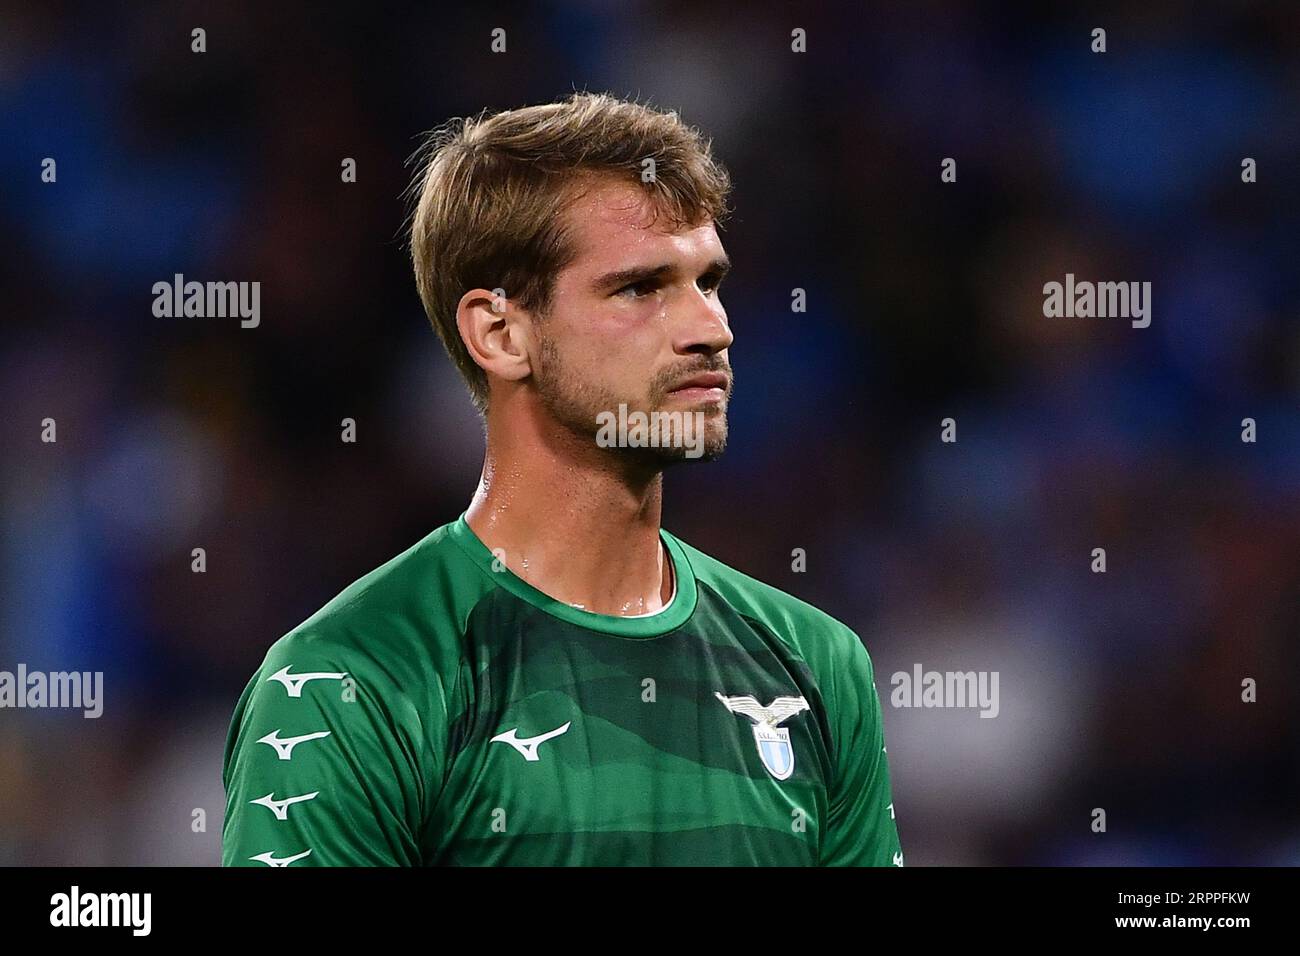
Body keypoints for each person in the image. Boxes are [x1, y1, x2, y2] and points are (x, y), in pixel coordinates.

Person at [221, 92, 903, 866]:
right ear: (501, 332)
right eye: (642, 288)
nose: (712, 328)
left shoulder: (817, 665)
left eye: (708, 282)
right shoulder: (350, 681)